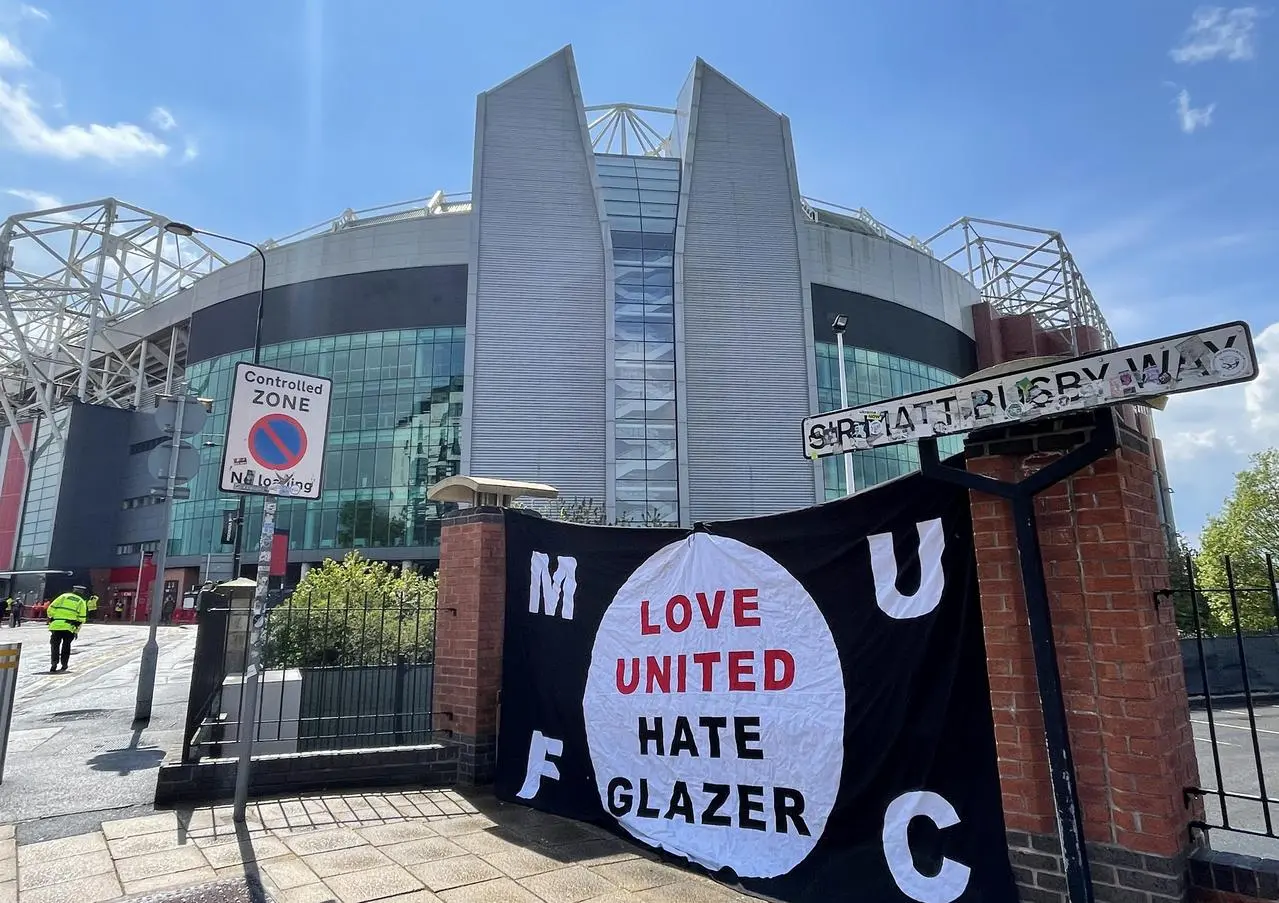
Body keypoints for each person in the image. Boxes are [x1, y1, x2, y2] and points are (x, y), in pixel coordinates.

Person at [46, 585, 88, 673]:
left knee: (55, 646)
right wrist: (76, 631)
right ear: (82, 592)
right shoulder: (81, 601)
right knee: (66, 646)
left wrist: (52, 617)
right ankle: (64, 664)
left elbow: (50, 608)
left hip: (56, 625)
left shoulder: (63, 596)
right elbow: (81, 619)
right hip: (69, 627)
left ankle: (54, 663)